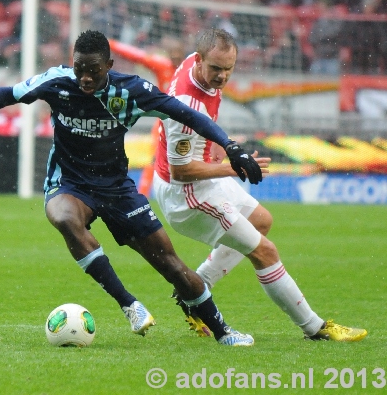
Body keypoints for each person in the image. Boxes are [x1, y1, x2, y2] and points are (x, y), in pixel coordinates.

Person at [0, 30, 262, 346]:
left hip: (117, 188)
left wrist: (230, 146)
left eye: (93, 71)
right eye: (79, 69)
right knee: (62, 217)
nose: (85, 78)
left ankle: (222, 331)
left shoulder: (131, 90)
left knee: (172, 266)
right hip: (70, 183)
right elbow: (9, 93)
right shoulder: (56, 81)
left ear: (109, 67)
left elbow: (187, 114)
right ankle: (129, 304)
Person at [152, 28, 367, 342]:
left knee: (261, 221)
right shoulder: (187, 107)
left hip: (197, 181)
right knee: (264, 252)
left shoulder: (196, 67)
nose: (223, 76)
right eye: (216, 69)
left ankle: (194, 290)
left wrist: (224, 149)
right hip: (187, 196)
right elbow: (181, 170)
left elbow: (204, 129)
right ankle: (315, 328)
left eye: (229, 69)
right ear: (199, 61)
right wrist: (232, 166)